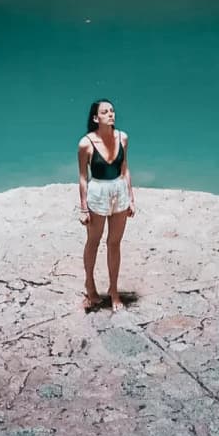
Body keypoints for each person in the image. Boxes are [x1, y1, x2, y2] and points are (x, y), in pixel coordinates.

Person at [77, 98, 136, 312]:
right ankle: (90, 285)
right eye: (105, 112)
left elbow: (125, 167)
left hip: (119, 190)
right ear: (96, 118)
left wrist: (130, 197)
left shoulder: (123, 138)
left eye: (112, 111)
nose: (111, 114)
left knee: (114, 242)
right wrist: (83, 208)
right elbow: (83, 177)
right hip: (98, 192)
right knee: (93, 240)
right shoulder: (86, 143)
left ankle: (113, 290)